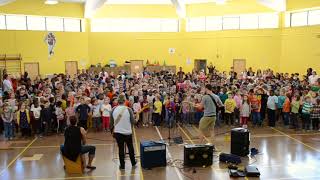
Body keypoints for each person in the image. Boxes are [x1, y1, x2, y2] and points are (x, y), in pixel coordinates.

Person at [110, 94, 137, 170]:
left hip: (118, 133)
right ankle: (133, 163)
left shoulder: (113, 109)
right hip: (128, 133)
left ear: (117, 101)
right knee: (130, 148)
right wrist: (136, 119)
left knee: (121, 149)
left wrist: (111, 132)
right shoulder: (129, 109)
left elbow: (111, 123)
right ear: (125, 101)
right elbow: (133, 122)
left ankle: (122, 166)